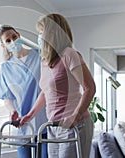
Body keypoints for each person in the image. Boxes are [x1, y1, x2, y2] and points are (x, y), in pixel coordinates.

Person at [19, 13, 96, 158]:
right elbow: (45, 92)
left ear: (53, 33)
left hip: (75, 124)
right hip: (53, 127)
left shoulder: (70, 55)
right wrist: (29, 115)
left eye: (42, 33)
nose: (39, 37)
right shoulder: (45, 61)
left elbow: (89, 87)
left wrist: (76, 115)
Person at [0, 25, 48, 158]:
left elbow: (49, 87)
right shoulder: (6, 68)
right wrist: (13, 111)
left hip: (43, 120)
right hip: (21, 124)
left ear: (19, 35)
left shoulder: (40, 57)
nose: (13, 41)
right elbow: (7, 97)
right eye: (8, 41)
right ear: (3, 46)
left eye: (14, 37)